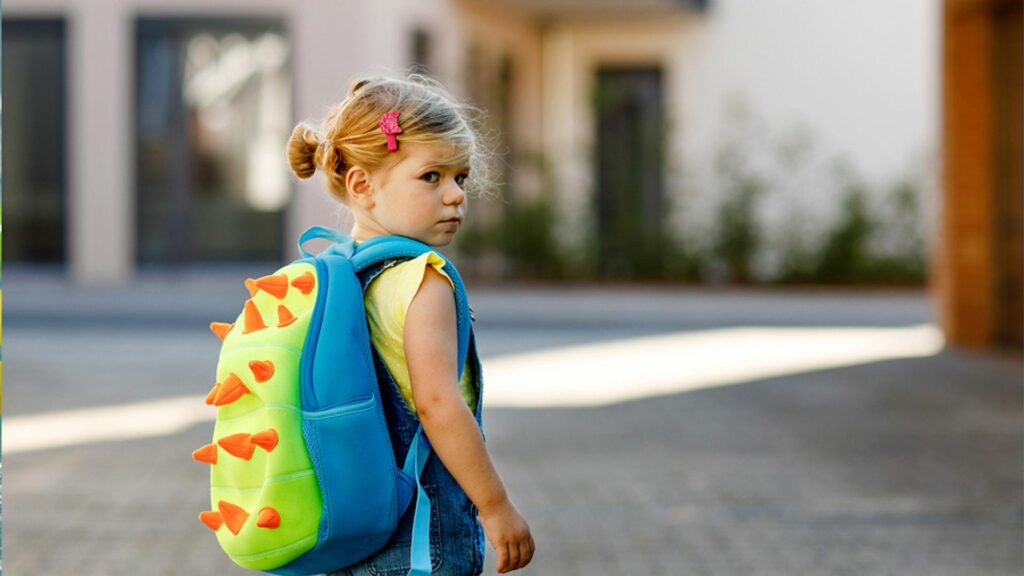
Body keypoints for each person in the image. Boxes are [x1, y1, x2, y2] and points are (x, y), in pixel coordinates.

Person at [287, 71, 535, 576]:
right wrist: (495, 505)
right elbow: (437, 403)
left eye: (460, 178)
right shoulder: (424, 280)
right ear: (363, 185)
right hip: (423, 535)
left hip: (352, 525)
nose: (455, 196)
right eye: (432, 177)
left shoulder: (340, 274)